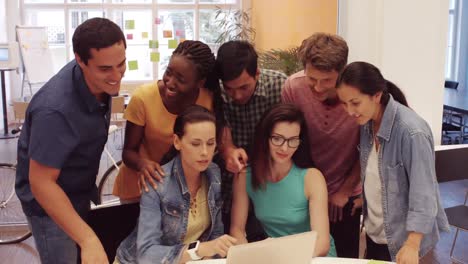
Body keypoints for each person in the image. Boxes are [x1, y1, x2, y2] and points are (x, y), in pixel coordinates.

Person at [15, 17, 126, 263]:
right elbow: (41, 183)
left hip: (78, 190)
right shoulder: (54, 110)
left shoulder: (98, 78)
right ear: (80, 60)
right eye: (106, 69)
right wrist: (87, 239)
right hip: (48, 205)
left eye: (121, 64)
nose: (116, 76)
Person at [336, 61, 450, 263]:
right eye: (344, 103)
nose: (349, 111)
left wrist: (412, 245)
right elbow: (379, 172)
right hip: (375, 236)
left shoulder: (412, 132)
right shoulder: (366, 122)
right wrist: (367, 199)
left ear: (377, 95)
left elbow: (424, 194)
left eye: (355, 103)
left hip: (406, 244)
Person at [115, 105, 237, 264]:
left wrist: (213, 253)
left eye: (210, 143)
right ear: (177, 142)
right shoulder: (157, 182)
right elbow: (146, 254)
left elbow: (216, 235)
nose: (205, 152)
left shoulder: (213, 173)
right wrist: (199, 249)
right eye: (195, 144)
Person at [281, 32, 362, 258]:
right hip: (304, 188)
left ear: (342, 71)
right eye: (311, 79)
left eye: (327, 81)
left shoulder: (357, 95)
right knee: (307, 254)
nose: (317, 88)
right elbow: (290, 140)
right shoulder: (293, 87)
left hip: (345, 192)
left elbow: (366, 149)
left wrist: (345, 191)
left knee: (344, 255)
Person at [113, 40, 224, 200]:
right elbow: (128, 152)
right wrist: (143, 164)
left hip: (182, 190)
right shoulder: (143, 98)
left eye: (181, 79)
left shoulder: (209, 100)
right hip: (140, 188)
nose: (170, 82)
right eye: (168, 72)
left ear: (200, 82)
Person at [230, 104, 337, 257]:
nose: (285, 148)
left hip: (315, 257)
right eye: (277, 139)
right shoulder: (244, 176)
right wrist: (250, 258)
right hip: (275, 257)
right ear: (264, 137)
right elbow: (237, 230)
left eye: (293, 140)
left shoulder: (312, 177)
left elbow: (322, 243)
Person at [215, 40, 287, 240]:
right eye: (229, 89)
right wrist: (227, 150)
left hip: (272, 183)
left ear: (257, 73)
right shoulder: (216, 91)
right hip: (231, 185)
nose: (236, 95)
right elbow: (220, 128)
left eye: (244, 87)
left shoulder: (280, 86)